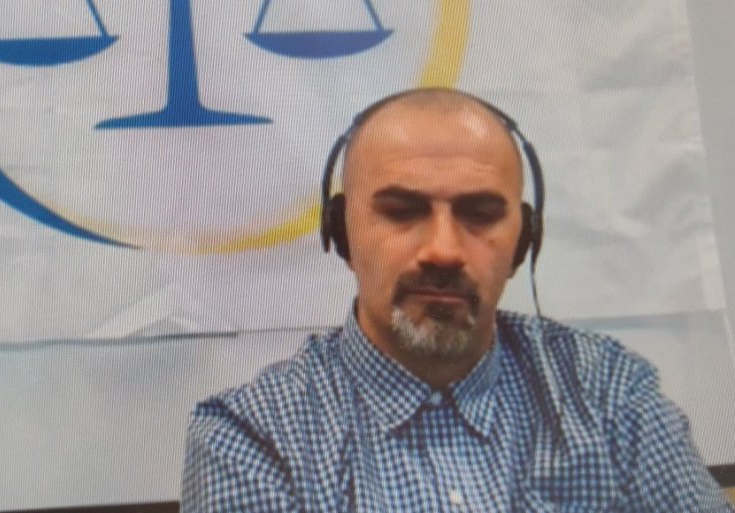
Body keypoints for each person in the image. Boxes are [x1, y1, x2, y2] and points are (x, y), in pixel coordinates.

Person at [180, 88, 733, 512]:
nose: (443, 250)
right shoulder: (251, 439)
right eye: (402, 211)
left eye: (480, 214)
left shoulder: (608, 394)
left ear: (524, 240)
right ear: (342, 232)